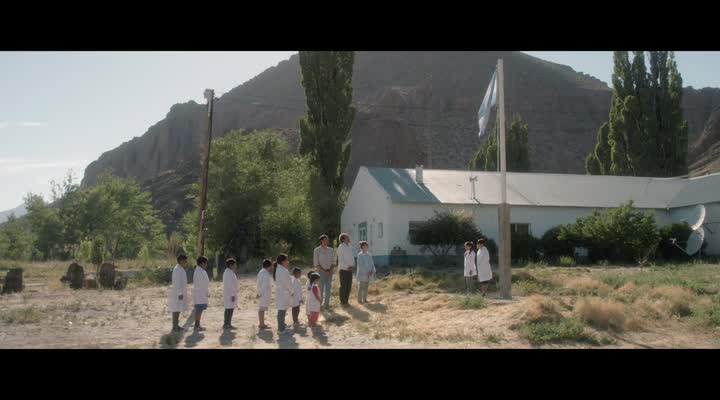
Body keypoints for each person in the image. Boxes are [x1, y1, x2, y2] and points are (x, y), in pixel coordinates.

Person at [273, 254, 294, 332]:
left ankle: (282, 325)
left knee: (282, 310)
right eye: (286, 260)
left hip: (281, 293)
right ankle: (281, 329)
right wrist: (292, 291)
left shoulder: (279, 269)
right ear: (282, 262)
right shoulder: (283, 271)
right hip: (283, 293)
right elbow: (288, 283)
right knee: (281, 311)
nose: (288, 262)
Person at [313, 234, 335, 308]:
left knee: (328, 288)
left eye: (328, 240)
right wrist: (324, 271)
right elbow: (316, 263)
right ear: (321, 241)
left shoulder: (331, 250)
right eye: (326, 240)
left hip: (330, 272)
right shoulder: (317, 250)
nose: (328, 241)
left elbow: (333, 261)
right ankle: (319, 304)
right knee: (320, 288)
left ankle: (327, 304)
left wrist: (329, 270)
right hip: (321, 272)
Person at [168, 254, 189, 332]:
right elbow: (176, 283)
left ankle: (176, 325)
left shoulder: (180, 268)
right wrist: (179, 293)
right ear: (181, 261)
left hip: (180, 293)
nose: (186, 262)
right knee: (176, 309)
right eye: (185, 261)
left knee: (178, 309)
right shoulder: (177, 269)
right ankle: (175, 327)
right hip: (177, 293)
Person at [336, 233, 355, 306]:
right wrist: (347, 266)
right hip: (343, 269)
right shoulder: (341, 247)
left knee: (349, 286)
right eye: (347, 237)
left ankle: (346, 301)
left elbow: (352, 257)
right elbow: (341, 260)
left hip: (350, 269)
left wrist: (352, 265)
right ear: (343, 239)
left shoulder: (350, 246)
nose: (348, 238)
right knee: (343, 286)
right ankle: (342, 302)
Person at [192, 256, 210, 331]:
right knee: (198, 310)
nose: (206, 265)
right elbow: (201, 284)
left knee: (200, 310)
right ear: (202, 263)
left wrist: (206, 292)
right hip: (199, 294)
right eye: (206, 263)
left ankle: (198, 325)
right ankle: (196, 326)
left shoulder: (201, 270)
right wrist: (205, 291)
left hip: (201, 293)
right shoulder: (198, 271)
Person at [222, 258, 239, 330]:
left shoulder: (229, 272)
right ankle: (226, 324)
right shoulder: (228, 273)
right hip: (230, 294)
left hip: (230, 293)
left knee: (230, 308)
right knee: (229, 309)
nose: (236, 266)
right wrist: (232, 295)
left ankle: (228, 323)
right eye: (235, 264)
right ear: (231, 265)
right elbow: (230, 285)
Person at [256, 259, 273, 330]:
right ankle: (261, 324)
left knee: (262, 309)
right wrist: (259, 294)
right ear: (268, 266)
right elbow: (263, 285)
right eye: (271, 266)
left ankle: (262, 323)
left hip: (263, 294)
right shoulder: (264, 273)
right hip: (263, 294)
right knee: (261, 309)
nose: (272, 267)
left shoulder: (264, 272)